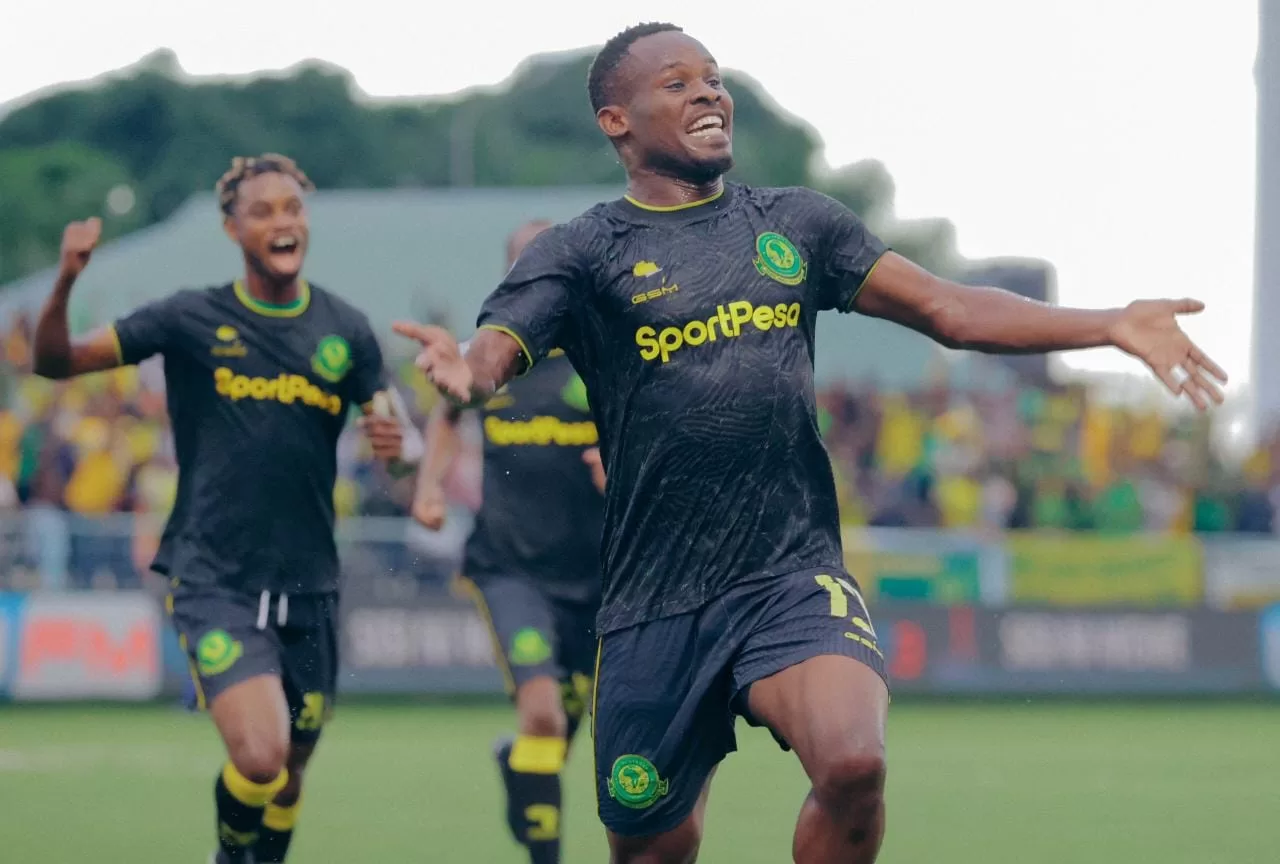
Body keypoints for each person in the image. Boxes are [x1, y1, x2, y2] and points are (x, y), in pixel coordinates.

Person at [392, 22, 1227, 864]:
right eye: (677, 83)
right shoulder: (581, 251)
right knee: (653, 850)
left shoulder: (796, 223)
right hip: (654, 601)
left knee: (854, 763)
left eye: (713, 78)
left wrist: (1109, 323)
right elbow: (493, 353)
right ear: (617, 121)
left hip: (789, 573)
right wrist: (465, 370)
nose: (708, 92)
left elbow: (951, 310)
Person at [32, 153, 420, 864]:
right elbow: (56, 362)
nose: (282, 221)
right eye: (263, 211)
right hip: (216, 578)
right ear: (232, 228)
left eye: (293, 208)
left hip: (311, 584)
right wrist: (66, 280)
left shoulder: (347, 330)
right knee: (262, 755)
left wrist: (402, 452)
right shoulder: (190, 318)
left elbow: (401, 452)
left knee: (290, 773)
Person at [412, 220, 605, 864]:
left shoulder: (604, 356)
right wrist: (429, 489)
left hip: (600, 575)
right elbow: (448, 412)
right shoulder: (489, 357)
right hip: (511, 568)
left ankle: (516, 765)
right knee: (543, 714)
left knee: (555, 737)